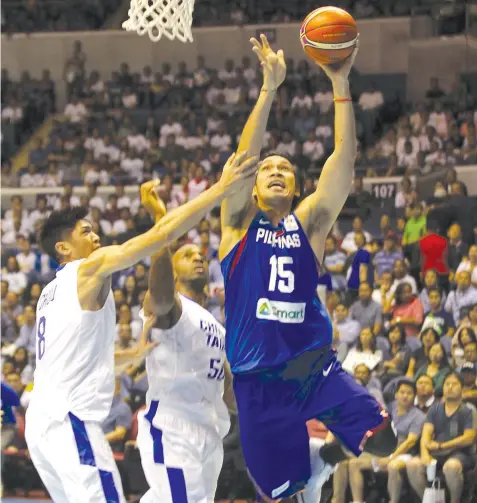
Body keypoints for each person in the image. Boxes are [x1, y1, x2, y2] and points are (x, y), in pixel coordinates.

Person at [219, 35, 397, 503]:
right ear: (253, 187)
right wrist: (268, 89)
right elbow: (241, 160)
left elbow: (344, 160)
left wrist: (340, 84)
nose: (275, 170)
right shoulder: (237, 224)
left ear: (297, 186)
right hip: (258, 384)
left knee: (385, 440)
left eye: (285, 168)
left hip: (313, 366)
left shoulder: (311, 223)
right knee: (279, 494)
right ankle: (312, 468)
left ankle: (325, 461)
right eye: (267, 168)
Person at [24, 153, 258, 503]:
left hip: (42, 426)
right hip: (71, 422)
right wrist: (221, 189)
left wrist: (131, 355)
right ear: (63, 247)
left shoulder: (49, 294)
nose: (97, 236)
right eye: (86, 231)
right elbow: (159, 235)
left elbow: (73, 360)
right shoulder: (87, 269)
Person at [135, 187, 236, 503]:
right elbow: (161, 294)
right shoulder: (170, 305)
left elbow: (229, 389)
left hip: (210, 432)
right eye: (187, 255)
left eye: (201, 256)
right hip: (173, 427)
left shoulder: (217, 327)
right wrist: (161, 224)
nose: (198, 258)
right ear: (171, 270)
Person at [406, 373, 476, 503]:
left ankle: (455, 501)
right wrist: (424, 453)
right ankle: (428, 500)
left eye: (454, 384)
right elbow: (426, 434)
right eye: (447, 384)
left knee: (451, 467)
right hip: (436, 454)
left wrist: (441, 446)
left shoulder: (468, 411)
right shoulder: (435, 408)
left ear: (462, 388)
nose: (450, 387)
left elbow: (468, 438)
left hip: (460, 454)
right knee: (413, 464)